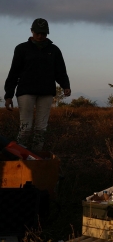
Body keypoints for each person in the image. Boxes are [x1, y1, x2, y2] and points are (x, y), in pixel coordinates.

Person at [4, 18, 71, 151]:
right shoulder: (22, 49)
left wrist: (65, 85)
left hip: (46, 92)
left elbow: (60, 71)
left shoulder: (54, 50)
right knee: (26, 128)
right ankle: (20, 155)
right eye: (38, 33)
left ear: (47, 33)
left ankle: (36, 156)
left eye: (43, 33)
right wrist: (8, 95)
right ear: (32, 31)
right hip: (26, 91)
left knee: (41, 128)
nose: (40, 36)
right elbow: (14, 73)